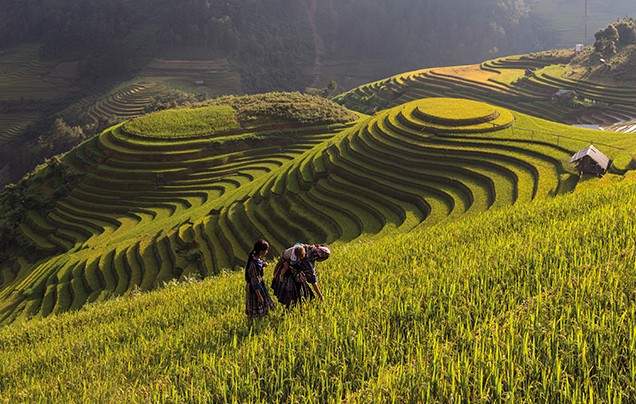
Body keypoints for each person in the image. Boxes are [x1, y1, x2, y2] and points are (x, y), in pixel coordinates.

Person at [271, 243, 331, 307]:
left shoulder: (306, 247)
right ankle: (291, 308)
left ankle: (291, 307)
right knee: (294, 294)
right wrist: (320, 296)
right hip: (290, 273)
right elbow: (313, 281)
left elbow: (284, 256)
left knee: (292, 293)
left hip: (288, 269)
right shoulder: (308, 260)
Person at [245, 239, 275, 319]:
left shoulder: (254, 257)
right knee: (259, 304)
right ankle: (255, 323)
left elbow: (259, 262)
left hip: (259, 285)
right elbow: (254, 281)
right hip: (255, 289)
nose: (267, 252)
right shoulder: (253, 265)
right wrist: (259, 295)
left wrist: (263, 264)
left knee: (262, 305)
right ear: (261, 251)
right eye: (266, 250)